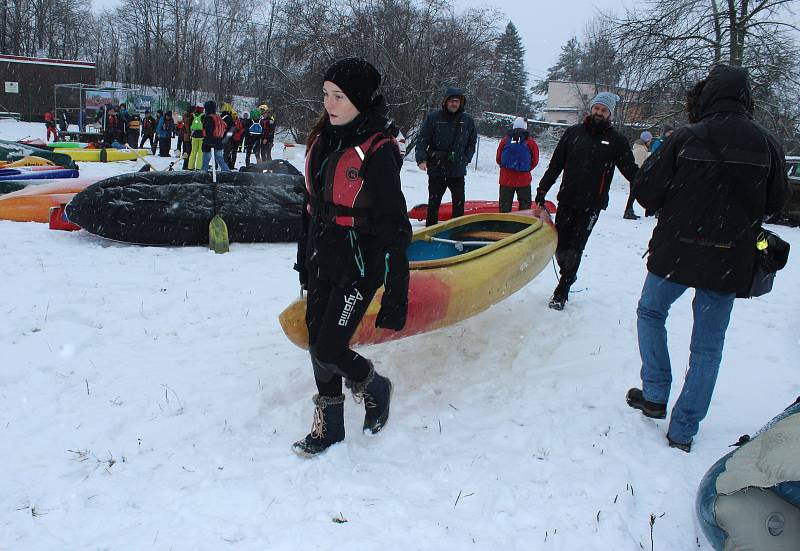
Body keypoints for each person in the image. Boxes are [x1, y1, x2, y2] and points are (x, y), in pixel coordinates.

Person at [625, 64, 787, 452]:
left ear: (707, 94)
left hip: (676, 253)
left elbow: (647, 193)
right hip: (730, 258)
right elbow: (777, 203)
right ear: (746, 98)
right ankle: (683, 430)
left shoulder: (685, 137)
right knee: (708, 347)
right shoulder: (767, 144)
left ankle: (655, 393)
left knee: (651, 313)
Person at [292, 57, 411, 457]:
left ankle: (375, 386)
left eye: (339, 96)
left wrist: (396, 295)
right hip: (323, 259)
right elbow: (310, 208)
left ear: (360, 100)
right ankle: (332, 428)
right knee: (316, 344)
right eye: (326, 94)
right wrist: (303, 261)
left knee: (329, 349)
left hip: (360, 267)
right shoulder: (324, 140)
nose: (330, 103)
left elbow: (396, 229)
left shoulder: (377, 151)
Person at [534, 92, 638, 310]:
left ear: (610, 114)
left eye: (604, 110)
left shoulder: (616, 141)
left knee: (576, 247)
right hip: (568, 199)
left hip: (592, 205)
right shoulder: (573, 134)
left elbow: (631, 171)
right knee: (560, 246)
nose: (599, 112)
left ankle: (562, 290)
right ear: (591, 109)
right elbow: (556, 165)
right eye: (597, 108)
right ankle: (569, 273)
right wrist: (543, 189)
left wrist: (650, 185)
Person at [415, 87, 477, 226]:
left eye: (457, 101)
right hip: (437, 168)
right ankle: (430, 230)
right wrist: (421, 159)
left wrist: (466, 159)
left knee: (458, 204)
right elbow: (422, 139)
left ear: (461, 103)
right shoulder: (434, 118)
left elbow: (472, 142)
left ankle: (457, 231)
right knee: (434, 203)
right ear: (445, 102)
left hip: (457, 170)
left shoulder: (467, 120)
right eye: (451, 101)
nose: (454, 104)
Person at [495, 117, 540, 212]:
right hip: (523, 179)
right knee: (525, 206)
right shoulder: (530, 142)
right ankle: (523, 223)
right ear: (525, 127)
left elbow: (498, 159)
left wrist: (506, 168)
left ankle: (504, 223)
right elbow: (535, 161)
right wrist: (526, 169)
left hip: (506, 178)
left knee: (505, 205)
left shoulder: (505, 140)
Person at [201, 100, 230, 171]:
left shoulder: (209, 118)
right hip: (219, 141)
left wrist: (209, 142)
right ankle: (227, 172)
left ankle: (203, 174)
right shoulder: (218, 117)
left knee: (206, 160)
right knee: (220, 159)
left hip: (209, 142)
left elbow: (209, 131)